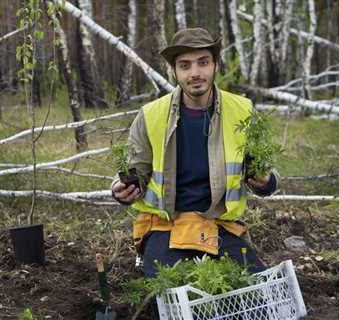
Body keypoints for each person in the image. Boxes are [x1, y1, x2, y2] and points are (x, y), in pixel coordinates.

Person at [110, 27, 279, 279]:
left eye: (203, 62)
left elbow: (266, 171)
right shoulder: (151, 115)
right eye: (185, 65)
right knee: (171, 295)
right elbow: (135, 169)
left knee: (256, 293)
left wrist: (266, 182)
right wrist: (121, 190)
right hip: (165, 227)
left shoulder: (243, 111)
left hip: (220, 226)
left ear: (215, 65)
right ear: (175, 71)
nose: (195, 73)